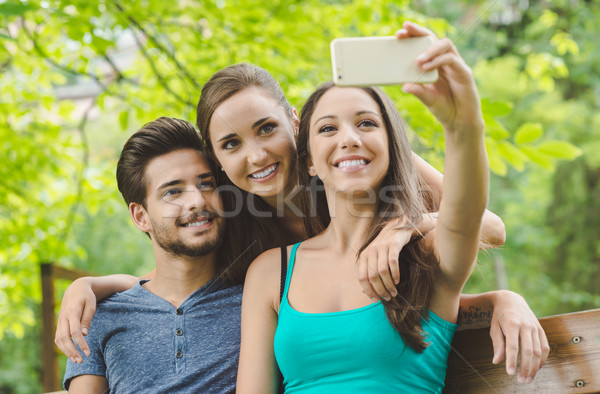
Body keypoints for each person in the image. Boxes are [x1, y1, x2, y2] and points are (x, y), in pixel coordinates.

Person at [56, 29, 549, 384]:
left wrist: (404, 226)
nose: (256, 154)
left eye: (267, 128)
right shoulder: (239, 226)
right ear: (219, 161)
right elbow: (175, 276)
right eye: (231, 144)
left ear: (295, 121)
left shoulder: (352, 157)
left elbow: (485, 227)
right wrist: (94, 285)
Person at [236, 22, 535, 392]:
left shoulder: (426, 254)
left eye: (366, 123)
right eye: (328, 129)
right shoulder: (271, 271)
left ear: (392, 148)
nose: (349, 138)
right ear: (309, 161)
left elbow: (466, 214)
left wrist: (463, 126)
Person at [63, 117, 241, 392]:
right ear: (141, 216)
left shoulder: (256, 297)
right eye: (173, 191)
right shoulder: (98, 316)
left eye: (206, 184)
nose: (197, 201)